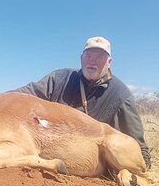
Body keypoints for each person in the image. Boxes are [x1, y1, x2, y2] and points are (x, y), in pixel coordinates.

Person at [11, 36, 151, 168]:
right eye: (88, 56)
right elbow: (23, 94)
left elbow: (136, 147)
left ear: (109, 62)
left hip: (83, 163)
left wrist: (140, 165)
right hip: (45, 147)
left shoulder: (120, 96)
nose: (92, 61)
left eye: (100, 57)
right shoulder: (59, 79)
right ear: (81, 58)